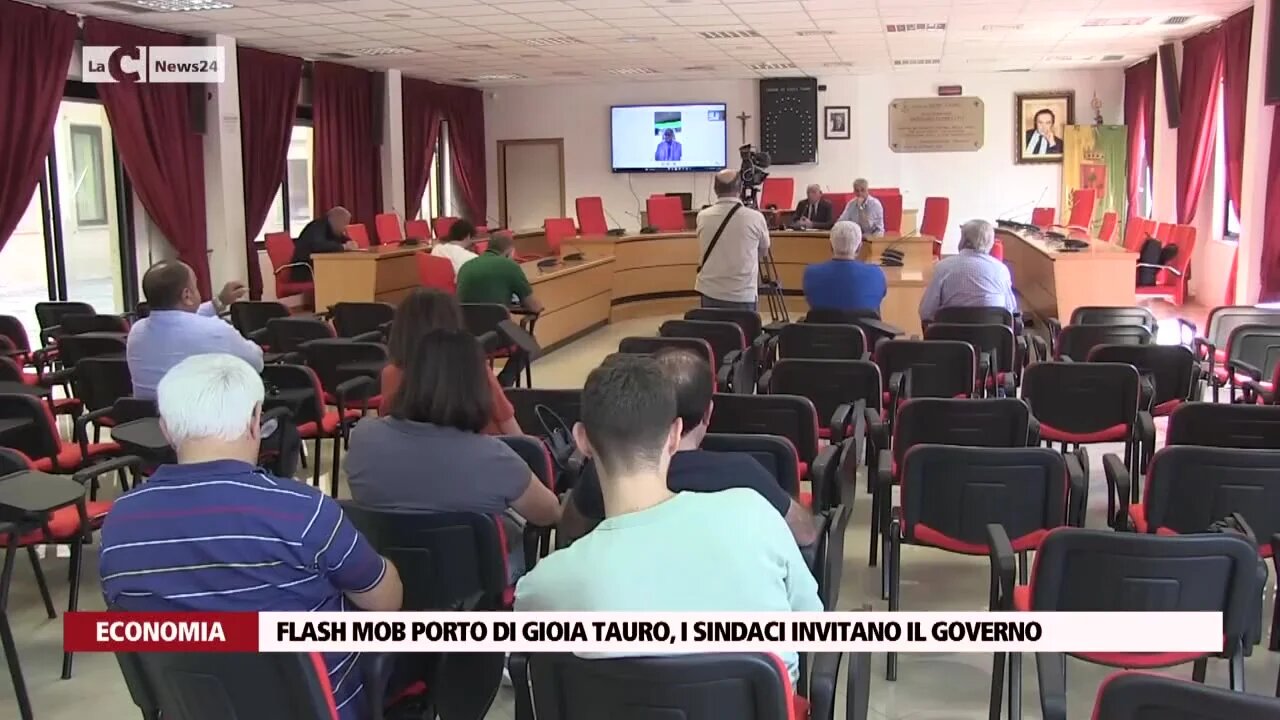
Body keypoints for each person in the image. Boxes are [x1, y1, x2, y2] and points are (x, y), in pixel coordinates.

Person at [99, 353, 403, 720]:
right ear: (256, 422)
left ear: (165, 428)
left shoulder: (119, 524)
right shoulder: (302, 512)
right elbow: (384, 603)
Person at [514, 355, 821, 682]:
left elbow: (530, 674)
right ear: (675, 435)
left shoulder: (542, 586)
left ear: (582, 439)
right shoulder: (755, 512)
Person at [345, 329, 561, 579]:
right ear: (477, 387)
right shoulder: (494, 457)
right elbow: (549, 513)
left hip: (384, 577)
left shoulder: (362, 437)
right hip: (473, 585)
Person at [561, 348, 817, 546]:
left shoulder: (605, 474)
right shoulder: (744, 474)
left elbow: (571, 534)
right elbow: (805, 534)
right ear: (708, 413)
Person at [381, 288, 521, 435]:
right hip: (483, 451)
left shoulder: (390, 374)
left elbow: (392, 430)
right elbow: (507, 423)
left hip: (416, 455)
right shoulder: (471, 367)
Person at [126, 260, 259, 399]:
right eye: (196, 286)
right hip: (208, 419)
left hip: (148, 419)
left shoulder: (136, 331)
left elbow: (176, 320)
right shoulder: (216, 330)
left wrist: (220, 301)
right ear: (187, 295)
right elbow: (256, 363)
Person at [694, 169, 771, 310]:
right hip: (743, 294)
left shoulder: (702, 216)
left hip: (710, 291)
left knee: (712, 331)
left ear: (715, 189)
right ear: (740, 188)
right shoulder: (755, 217)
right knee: (745, 332)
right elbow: (763, 251)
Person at [919, 219, 1018, 323]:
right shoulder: (1001, 270)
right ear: (990, 243)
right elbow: (1010, 309)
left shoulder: (943, 267)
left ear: (964, 241)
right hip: (992, 337)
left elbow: (926, 312)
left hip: (949, 337)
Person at [802, 221, 887, 314]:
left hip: (821, 328)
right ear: (859, 248)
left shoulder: (811, 273)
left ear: (831, 246)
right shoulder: (876, 274)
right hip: (865, 328)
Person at [456, 232, 545, 314]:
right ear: (509, 252)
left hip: (466, 327)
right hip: (497, 326)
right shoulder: (510, 266)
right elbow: (534, 306)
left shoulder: (465, 266)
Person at [291, 206, 358, 280]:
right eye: (344, 223)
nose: (345, 228)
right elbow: (319, 246)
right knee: (342, 276)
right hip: (305, 271)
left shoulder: (331, 227)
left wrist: (350, 242)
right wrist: (344, 247)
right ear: (336, 220)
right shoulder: (317, 226)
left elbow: (340, 238)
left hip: (318, 268)